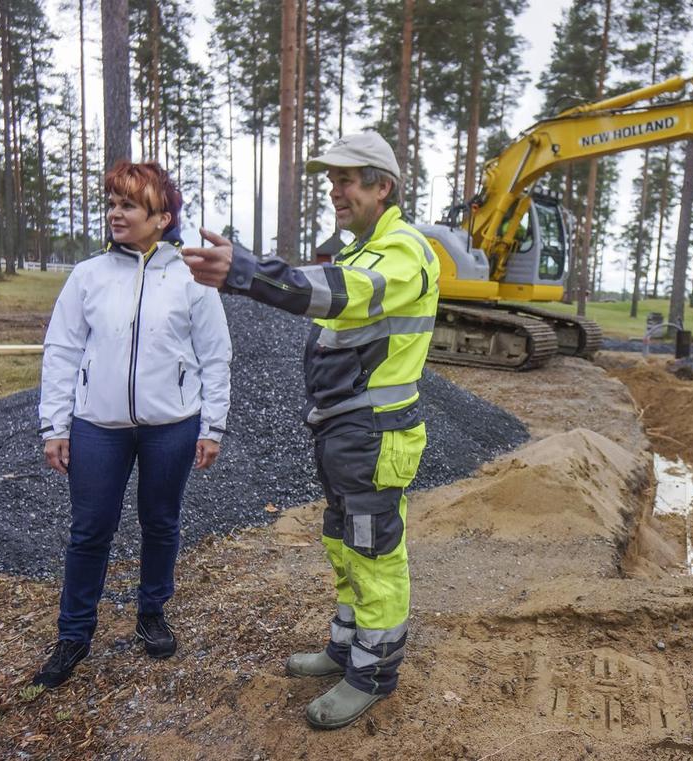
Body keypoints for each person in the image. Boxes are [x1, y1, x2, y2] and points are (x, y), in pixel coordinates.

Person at [181, 131, 440, 730]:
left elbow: (338, 295)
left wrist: (247, 272)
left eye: (347, 179)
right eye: (331, 179)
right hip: (344, 431)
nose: (335, 190)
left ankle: (373, 672)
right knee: (344, 544)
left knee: (374, 553)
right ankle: (346, 647)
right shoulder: (359, 248)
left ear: (384, 187)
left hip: (376, 432)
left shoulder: (404, 251)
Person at [32, 161, 232, 689]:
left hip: (173, 426)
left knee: (161, 523)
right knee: (89, 530)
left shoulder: (192, 277)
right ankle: (74, 634)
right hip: (98, 427)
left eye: (129, 205)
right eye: (113, 203)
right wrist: (55, 425)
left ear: (161, 217)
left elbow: (215, 357)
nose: (116, 213)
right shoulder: (88, 276)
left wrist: (212, 426)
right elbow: (61, 351)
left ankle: (151, 614)